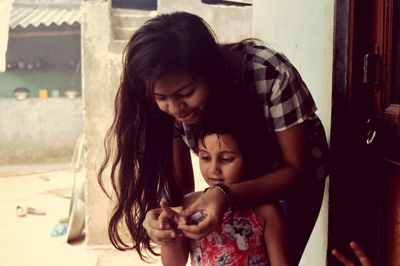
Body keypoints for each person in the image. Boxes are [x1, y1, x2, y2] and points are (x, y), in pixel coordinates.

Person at [97, 11, 329, 264]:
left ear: (210, 72)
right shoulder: (168, 97)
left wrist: (225, 194)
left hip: (292, 176)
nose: (175, 109)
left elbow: (295, 168)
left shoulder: (269, 73)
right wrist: (165, 220)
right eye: (161, 98)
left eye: (186, 93)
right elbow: (178, 189)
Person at [159, 97, 289, 266]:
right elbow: (173, 264)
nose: (214, 169)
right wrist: (169, 235)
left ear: (250, 158)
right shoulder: (190, 206)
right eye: (205, 157)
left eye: (226, 159)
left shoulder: (266, 210)